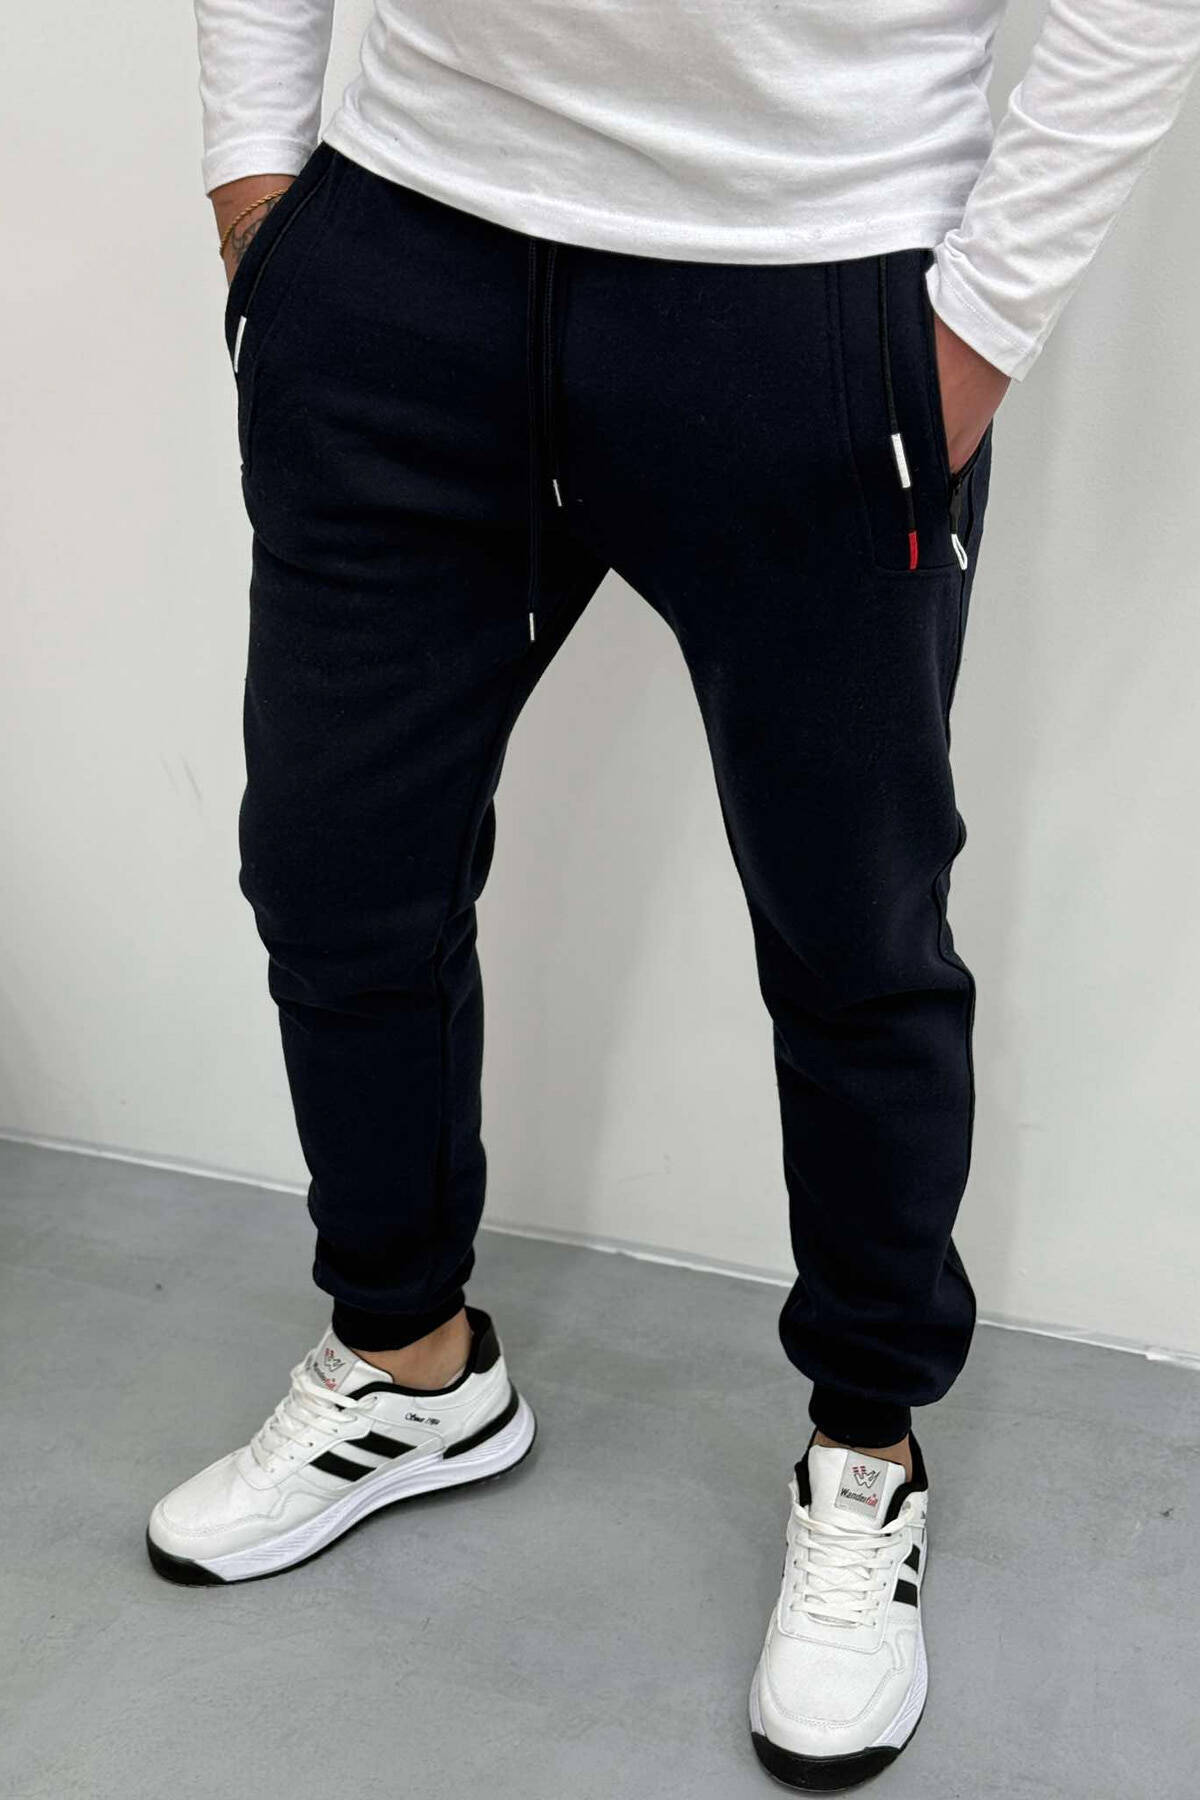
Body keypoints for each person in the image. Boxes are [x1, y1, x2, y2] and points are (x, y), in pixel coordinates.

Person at [148, 0, 1200, 1786]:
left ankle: (866, 1453)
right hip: (406, 254)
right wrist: (260, 188)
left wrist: (978, 325)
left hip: (812, 277)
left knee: (853, 933)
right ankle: (409, 1364)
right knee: (336, 871)